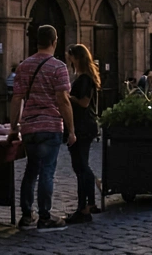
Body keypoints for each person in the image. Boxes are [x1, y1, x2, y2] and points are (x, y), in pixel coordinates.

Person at [9, 25, 75, 231]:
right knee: (47, 171)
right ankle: (45, 216)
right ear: (55, 41)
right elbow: (63, 100)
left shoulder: (23, 66)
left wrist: (13, 127)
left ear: (36, 41)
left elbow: (17, 98)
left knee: (31, 170)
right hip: (50, 125)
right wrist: (71, 129)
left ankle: (27, 215)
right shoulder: (58, 67)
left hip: (29, 126)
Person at [66, 44, 101, 224]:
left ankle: (84, 207)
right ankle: (90, 203)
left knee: (81, 167)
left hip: (83, 126)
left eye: (70, 56)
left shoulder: (85, 79)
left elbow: (84, 103)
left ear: (77, 57)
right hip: (84, 126)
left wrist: (68, 98)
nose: (69, 59)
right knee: (82, 166)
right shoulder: (83, 77)